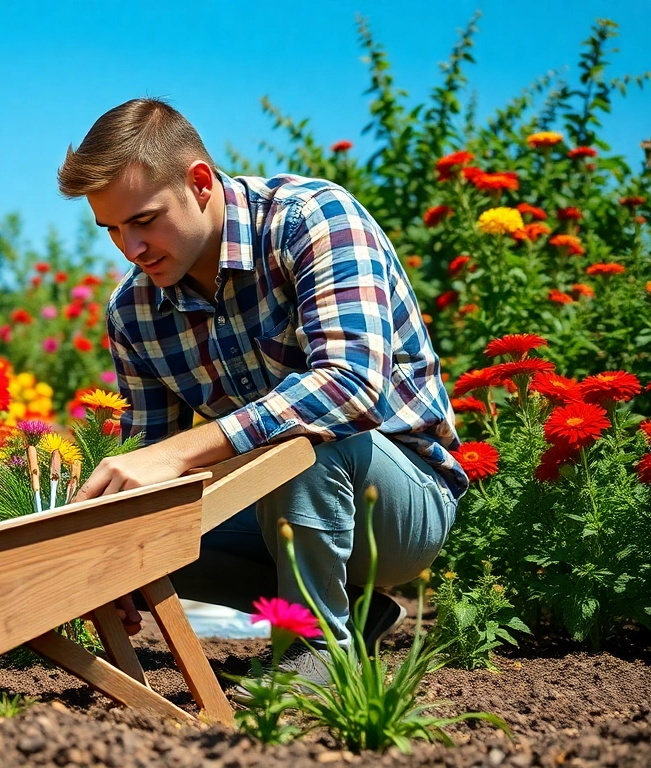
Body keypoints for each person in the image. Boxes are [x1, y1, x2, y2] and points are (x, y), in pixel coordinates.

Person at [62, 98, 464, 677]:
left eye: (145, 220)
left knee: (305, 437)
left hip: (401, 501)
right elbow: (143, 464)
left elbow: (349, 388)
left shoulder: (311, 220)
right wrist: (119, 557)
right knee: (148, 527)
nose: (130, 248)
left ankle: (322, 650)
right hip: (272, 509)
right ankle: (352, 613)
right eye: (112, 229)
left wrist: (175, 453)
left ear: (200, 182)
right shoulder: (134, 312)